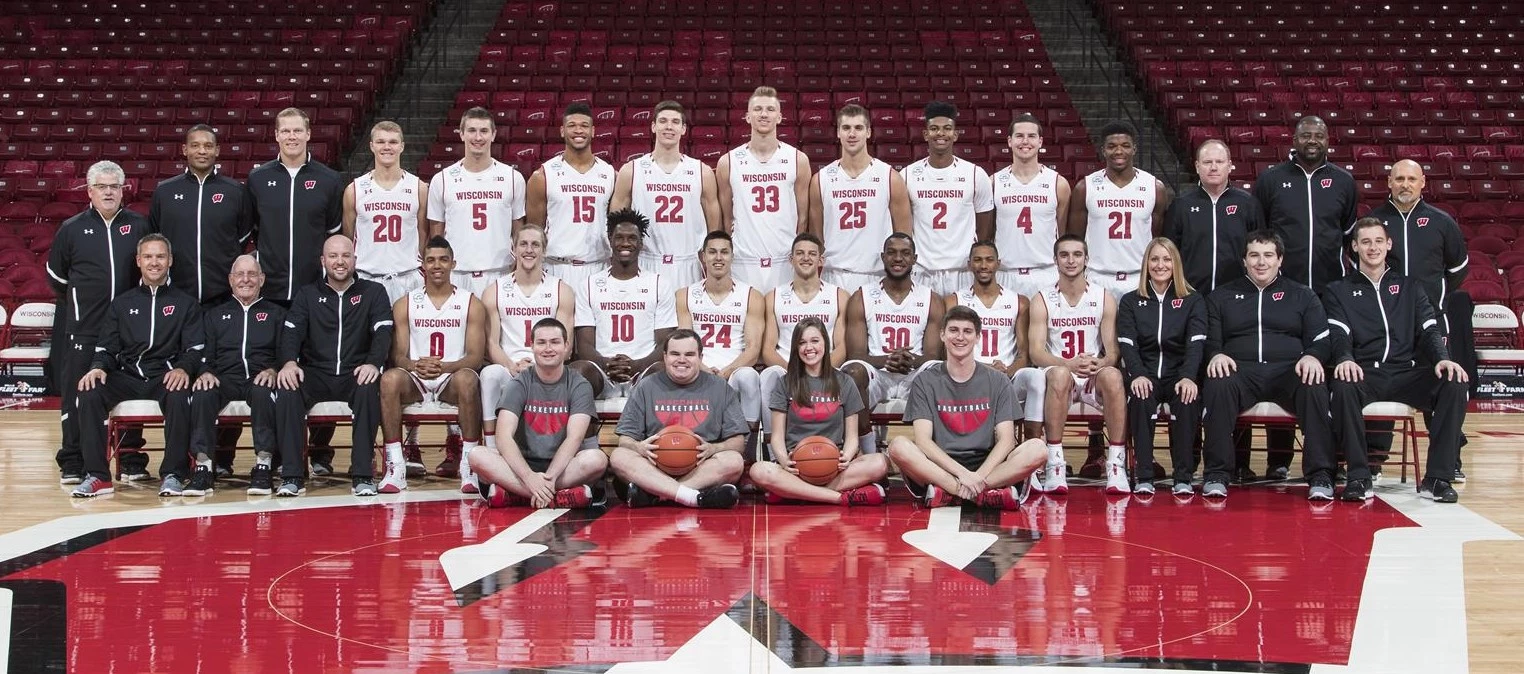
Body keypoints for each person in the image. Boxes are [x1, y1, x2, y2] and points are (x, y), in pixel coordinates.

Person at [1324, 217, 1469, 502]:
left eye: (1378, 241)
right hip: (1365, 373)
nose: (1373, 247)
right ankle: (1358, 476)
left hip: (1406, 373)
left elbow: (1428, 328)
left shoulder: (1410, 286)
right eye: (1365, 242)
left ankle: (1438, 478)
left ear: (1388, 244)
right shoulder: (1337, 290)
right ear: (1354, 247)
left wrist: (1442, 358)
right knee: (1342, 385)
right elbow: (1338, 333)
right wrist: (1344, 358)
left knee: (1454, 382)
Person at [1251, 115, 1357, 480]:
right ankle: (1279, 459)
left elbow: (1348, 234)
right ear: (1292, 139)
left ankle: (1334, 459)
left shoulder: (1343, 181)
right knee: (1283, 364)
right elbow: (1261, 234)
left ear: (1328, 139)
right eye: (1305, 135)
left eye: (1318, 135)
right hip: (1283, 293)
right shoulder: (1271, 180)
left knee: (1328, 370)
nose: (1312, 140)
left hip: (1330, 292)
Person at [152, 124, 257, 477]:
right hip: (178, 303)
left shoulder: (234, 192)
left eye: (208, 145)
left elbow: (242, 237)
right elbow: (157, 238)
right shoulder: (165, 192)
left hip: (218, 301)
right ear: (184, 150)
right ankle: (180, 459)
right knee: (182, 381)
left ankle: (221, 458)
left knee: (221, 378)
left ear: (217, 152)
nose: (201, 151)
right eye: (195, 145)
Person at [1201, 230, 1335, 500]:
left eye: (1268, 256)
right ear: (1244, 261)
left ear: (1279, 260)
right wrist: (1216, 354)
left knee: (1314, 383)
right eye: (1254, 256)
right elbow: (1210, 341)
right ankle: (1217, 473)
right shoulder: (1221, 296)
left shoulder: (1303, 295)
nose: (1261, 262)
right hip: (1241, 371)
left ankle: (1320, 475)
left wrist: (1312, 356)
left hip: (1288, 371)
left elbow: (1322, 340)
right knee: (1217, 382)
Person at [70, 235, 204, 497]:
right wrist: (98, 367)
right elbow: (106, 348)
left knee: (179, 393)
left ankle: (174, 474)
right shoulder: (122, 303)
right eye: (149, 257)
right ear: (139, 261)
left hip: (164, 377)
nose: (155, 262)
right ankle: (97, 476)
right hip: (128, 376)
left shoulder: (186, 303)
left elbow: (195, 350)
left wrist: (183, 368)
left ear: (170, 261)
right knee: (90, 390)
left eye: (161, 256)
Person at [1366, 159, 1473, 481]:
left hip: (1432, 323)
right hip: (1386, 324)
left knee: (1443, 387)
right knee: (1382, 385)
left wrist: (1429, 300)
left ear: (1423, 182)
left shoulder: (1442, 222)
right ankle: (1374, 459)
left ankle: (1449, 460)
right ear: (1389, 182)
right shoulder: (1375, 223)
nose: (1405, 184)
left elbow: (1457, 270)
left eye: (1411, 179)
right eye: (1399, 178)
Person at [49, 160, 152, 484]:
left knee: (130, 392)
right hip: (84, 330)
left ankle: (131, 457)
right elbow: (56, 277)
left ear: (124, 191)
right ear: (89, 191)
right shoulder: (72, 228)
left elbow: (150, 271)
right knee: (78, 396)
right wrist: (82, 306)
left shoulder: (138, 226)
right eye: (102, 187)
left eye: (114, 187)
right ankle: (73, 460)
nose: (108, 192)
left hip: (129, 331)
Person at [886, 305, 1047, 509]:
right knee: (898, 446)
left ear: (978, 337)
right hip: (941, 467)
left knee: (1038, 449)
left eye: (967, 331)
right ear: (943, 335)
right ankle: (978, 494)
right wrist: (962, 476)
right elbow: (924, 442)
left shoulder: (998, 381)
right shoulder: (924, 381)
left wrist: (977, 478)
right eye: (953, 330)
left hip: (987, 466)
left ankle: (952, 494)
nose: (960, 337)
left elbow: (1006, 442)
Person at [275, 235, 394, 496]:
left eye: (345, 256)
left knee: (368, 388)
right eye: (333, 256)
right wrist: (289, 363)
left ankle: (362, 475)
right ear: (323, 261)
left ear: (354, 260)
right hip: (317, 373)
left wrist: (373, 363)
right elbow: (291, 332)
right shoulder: (307, 294)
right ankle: (292, 475)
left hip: (355, 372)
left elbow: (383, 332)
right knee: (287, 388)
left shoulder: (373, 292)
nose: (339, 262)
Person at [376, 237, 488, 495]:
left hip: (452, 378)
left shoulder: (471, 303)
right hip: (416, 378)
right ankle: (395, 465)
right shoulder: (405, 303)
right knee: (390, 379)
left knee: (470, 380)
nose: (437, 265)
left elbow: (475, 357)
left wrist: (445, 367)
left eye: (443, 259)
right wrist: (415, 365)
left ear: (453, 264)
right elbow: (398, 356)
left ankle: (469, 465)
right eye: (431, 260)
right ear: (422, 265)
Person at [1026, 235, 1130, 494]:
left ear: (1086, 259)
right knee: (1060, 375)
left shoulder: (1103, 297)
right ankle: (1055, 464)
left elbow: (1113, 352)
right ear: (1055, 260)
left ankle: (1116, 465)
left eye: (1077, 254)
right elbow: (1036, 352)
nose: (1071, 260)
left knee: (1114, 376)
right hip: (1060, 373)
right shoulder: (1042, 299)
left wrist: (1101, 362)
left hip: (1092, 373)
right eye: (1064, 255)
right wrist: (1068, 364)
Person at [189, 255, 299, 496]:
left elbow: (286, 352)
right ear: (231, 280)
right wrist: (205, 371)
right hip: (224, 378)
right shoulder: (214, 314)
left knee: (263, 392)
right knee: (202, 392)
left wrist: (274, 370)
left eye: (252, 274)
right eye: (240, 275)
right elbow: (205, 354)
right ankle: (203, 467)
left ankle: (263, 465)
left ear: (262, 279)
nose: (246, 280)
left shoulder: (277, 314)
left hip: (260, 377)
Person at [748, 317, 889, 505]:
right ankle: (840, 497)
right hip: (797, 466)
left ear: (825, 343)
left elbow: (853, 437)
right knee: (758, 470)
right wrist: (783, 460)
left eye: (815, 341)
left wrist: (846, 456)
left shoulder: (844, 382)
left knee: (880, 463)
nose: (809, 347)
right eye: (802, 343)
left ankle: (792, 492)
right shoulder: (785, 383)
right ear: (796, 348)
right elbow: (777, 437)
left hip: (833, 465)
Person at [470, 317, 609, 509]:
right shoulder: (519, 383)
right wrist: (529, 478)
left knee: (597, 459)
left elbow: (574, 439)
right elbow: (503, 438)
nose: (548, 348)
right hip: (521, 464)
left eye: (555, 342)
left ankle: (518, 495)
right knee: (477, 455)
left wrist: (549, 478)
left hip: (563, 467)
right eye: (541, 342)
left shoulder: (579, 385)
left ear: (567, 346)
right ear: (532, 346)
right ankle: (557, 496)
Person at [610, 329, 748, 508]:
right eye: (675, 354)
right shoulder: (646, 386)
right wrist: (639, 447)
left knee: (734, 461)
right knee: (619, 456)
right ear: (665, 357)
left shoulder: (720, 387)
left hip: (701, 467)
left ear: (700, 357)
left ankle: (658, 495)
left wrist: (715, 448)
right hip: (655, 465)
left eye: (689, 354)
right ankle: (694, 497)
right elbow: (624, 439)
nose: (681, 360)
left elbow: (738, 442)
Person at [478, 225, 575, 477]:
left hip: (548, 366)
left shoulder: (560, 290)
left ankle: (554, 453)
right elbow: (491, 344)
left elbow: (567, 345)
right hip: (510, 366)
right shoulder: (495, 290)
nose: (529, 250)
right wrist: (511, 366)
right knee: (489, 374)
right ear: (513, 248)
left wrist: (540, 366)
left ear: (544, 250)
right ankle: (492, 449)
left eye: (535, 245)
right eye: (523, 244)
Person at [1116, 238, 1206, 496]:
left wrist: (1189, 376)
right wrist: (1138, 374)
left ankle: (1183, 476)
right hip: (1146, 374)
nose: (1160, 265)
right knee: (1141, 397)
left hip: (1179, 375)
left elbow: (1195, 344)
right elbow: (1128, 344)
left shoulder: (1192, 300)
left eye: (1166, 259)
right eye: (1154, 259)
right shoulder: (1131, 301)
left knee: (1187, 400)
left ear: (1175, 263)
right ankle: (1144, 475)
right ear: (1146, 264)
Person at [841, 233, 945, 455]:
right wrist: (887, 360)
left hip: (914, 374)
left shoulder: (931, 299)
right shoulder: (862, 297)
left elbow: (935, 354)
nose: (898, 258)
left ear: (914, 258)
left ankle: (934, 456)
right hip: (878, 373)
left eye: (905, 253)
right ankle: (870, 455)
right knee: (851, 372)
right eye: (892, 252)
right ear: (883, 257)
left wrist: (912, 360)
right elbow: (855, 354)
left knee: (939, 371)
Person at [610, 100, 721, 288]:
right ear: (653, 126)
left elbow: (714, 226)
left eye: (675, 122)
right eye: (663, 121)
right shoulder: (632, 170)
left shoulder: (702, 172)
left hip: (689, 263)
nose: (669, 127)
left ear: (684, 129)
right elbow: (614, 223)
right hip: (646, 261)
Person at [569, 208, 676, 398]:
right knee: (577, 371)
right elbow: (584, 345)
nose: (625, 243)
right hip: (603, 371)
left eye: (632, 238)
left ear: (641, 243)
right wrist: (607, 364)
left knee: (664, 372)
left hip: (643, 370)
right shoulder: (589, 285)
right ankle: (581, 428)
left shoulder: (659, 284)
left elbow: (664, 344)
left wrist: (636, 366)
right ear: (610, 240)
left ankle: (660, 429)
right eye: (619, 237)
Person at [676, 230, 766, 454]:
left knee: (749, 377)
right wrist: (703, 370)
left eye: (724, 252)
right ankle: (687, 451)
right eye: (713, 252)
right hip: (698, 367)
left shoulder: (751, 296)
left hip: (734, 369)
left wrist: (725, 373)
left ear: (732, 257)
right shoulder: (684, 295)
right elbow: (685, 344)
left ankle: (747, 454)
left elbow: (753, 350)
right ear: (702, 256)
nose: (718, 257)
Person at [808, 103, 912, 294]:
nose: (852, 134)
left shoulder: (890, 178)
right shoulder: (821, 180)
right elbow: (817, 239)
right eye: (846, 128)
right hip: (833, 274)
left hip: (877, 275)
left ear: (869, 132)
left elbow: (904, 237)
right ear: (838, 132)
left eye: (858, 128)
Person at [716, 86, 811, 293]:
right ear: (748, 116)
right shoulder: (728, 162)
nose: (764, 114)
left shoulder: (798, 160)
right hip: (743, 260)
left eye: (770, 109)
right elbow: (725, 218)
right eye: (758, 109)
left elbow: (803, 218)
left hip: (784, 260)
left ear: (779, 117)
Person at [426, 106, 527, 297]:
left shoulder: (513, 178)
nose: (478, 138)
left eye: (484, 131)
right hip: (456, 274)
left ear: (494, 134)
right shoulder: (442, 180)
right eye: (472, 131)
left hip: (500, 272)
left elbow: (518, 230)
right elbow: (436, 235)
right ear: (462, 134)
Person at [946, 240, 1042, 440]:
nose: (983, 265)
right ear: (969, 264)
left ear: (998, 263)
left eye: (989, 260)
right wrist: (985, 368)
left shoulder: (1019, 302)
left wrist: (1007, 372)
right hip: (968, 374)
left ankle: (1032, 448)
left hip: (1008, 375)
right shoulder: (954, 300)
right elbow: (947, 350)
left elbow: (1025, 354)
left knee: (1036, 377)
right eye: (978, 260)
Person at [248, 107, 344, 304]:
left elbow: (333, 232)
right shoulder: (257, 178)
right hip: (269, 289)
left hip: (315, 288)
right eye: (285, 131)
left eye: (297, 131)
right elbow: (256, 229)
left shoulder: (329, 179)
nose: (292, 137)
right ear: (276, 135)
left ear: (308, 134)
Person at [758, 232, 850, 438]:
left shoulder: (839, 296)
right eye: (799, 253)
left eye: (811, 253)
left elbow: (842, 347)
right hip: (786, 369)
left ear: (821, 260)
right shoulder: (773, 297)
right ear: (791, 259)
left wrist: (819, 369)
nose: (805, 258)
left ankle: (838, 443)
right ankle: (774, 448)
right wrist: (795, 371)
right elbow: (767, 349)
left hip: (827, 369)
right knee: (767, 376)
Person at [1067, 120, 1173, 298]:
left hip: (1138, 278)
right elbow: (1076, 239)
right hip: (1096, 278)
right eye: (1111, 146)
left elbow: (1155, 237)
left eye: (1125, 145)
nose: (1118, 151)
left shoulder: (1154, 187)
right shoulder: (1085, 187)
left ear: (1134, 149)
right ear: (1103, 150)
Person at [902, 101, 994, 295]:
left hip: (962, 270)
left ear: (955, 134)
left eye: (947, 129)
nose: (940, 134)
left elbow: (985, 229)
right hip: (922, 270)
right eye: (934, 128)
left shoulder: (975, 174)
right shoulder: (908, 175)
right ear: (926, 134)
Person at [527, 102, 617, 289]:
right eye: (572, 125)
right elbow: (535, 229)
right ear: (562, 130)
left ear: (593, 131)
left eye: (584, 126)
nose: (578, 130)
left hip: (598, 266)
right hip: (556, 267)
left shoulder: (610, 174)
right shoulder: (543, 176)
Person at [344, 120, 428, 304]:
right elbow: (349, 238)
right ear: (371, 146)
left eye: (393, 142)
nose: (387, 147)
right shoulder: (354, 190)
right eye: (381, 142)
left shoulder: (419, 188)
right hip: (366, 278)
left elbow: (423, 236)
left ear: (402, 146)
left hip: (408, 277)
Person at [1164, 139, 1264, 293]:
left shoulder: (1248, 204)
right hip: (1191, 294)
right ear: (1197, 167)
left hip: (1237, 294)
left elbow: (1260, 248)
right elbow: (1169, 251)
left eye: (1219, 161)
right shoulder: (1181, 205)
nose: (1213, 167)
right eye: (1207, 162)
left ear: (1230, 166)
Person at [993, 113, 1070, 298]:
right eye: (1019, 136)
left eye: (1031, 136)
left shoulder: (1058, 183)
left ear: (1041, 141)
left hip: (1047, 274)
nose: (1025, 141)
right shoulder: (994, 183)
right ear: (1009, 141)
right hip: (1005, 274)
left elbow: (1063, 233)